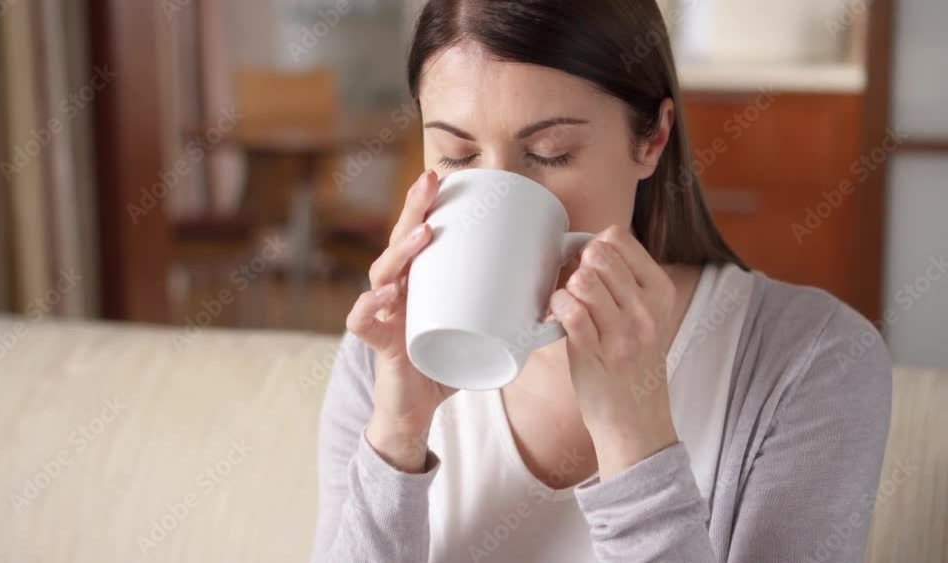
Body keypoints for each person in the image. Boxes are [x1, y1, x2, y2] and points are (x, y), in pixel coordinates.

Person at [312, 1, 891, 561]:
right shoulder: (383, 358)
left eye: (549, 152)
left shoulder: (815, 359)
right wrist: (396, 438)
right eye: (458, 155)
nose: (497, 198)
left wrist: (633, 437)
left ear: (652, 138)